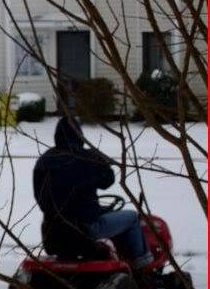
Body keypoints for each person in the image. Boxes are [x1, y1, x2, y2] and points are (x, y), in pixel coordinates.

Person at [33, 116, 153, 272]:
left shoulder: (44, 160)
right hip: (85, 230)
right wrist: (99, 159)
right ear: (79, 135)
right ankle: (143, 267)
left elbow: (41, 198)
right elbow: (107, 180)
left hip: (52, 232)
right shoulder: (85, 157)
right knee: (132, 218)